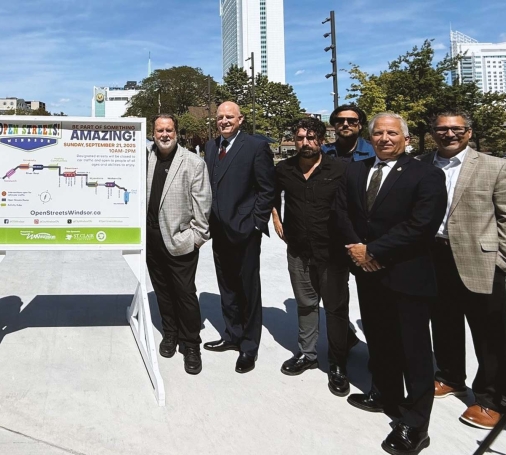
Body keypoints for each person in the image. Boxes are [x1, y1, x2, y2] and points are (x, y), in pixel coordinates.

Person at [335, 112, 447, 454]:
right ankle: (384, 394)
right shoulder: (356, 169)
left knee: (414, 352)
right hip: (368, 274)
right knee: (380, 339)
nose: (385, 138)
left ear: (406, 138)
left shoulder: (426, 173)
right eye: (379, 133)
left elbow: (422, 224)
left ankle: (415, 424)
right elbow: (341, 211)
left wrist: (374, 250)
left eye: (392, 133)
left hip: (407, 274)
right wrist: (358, 251)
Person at [420, 111, 506, 430]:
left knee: (489, 333)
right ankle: (450, 377)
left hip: (481, 260)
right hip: (434, 256)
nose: (449, 134)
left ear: (468, 132)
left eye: (456, 129)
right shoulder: (422, 164)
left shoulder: (495, 166)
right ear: (432, 132)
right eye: (442, 129)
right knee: (444, 321)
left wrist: (503, 262)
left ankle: (493, 399)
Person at [271, 117, 357, 396]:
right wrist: (276, 216)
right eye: (300, 138)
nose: (305, 143)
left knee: (334, 308)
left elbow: (356, 205)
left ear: (321, 140)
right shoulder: (284, 169)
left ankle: (337, 364)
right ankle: (307, 354)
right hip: (298, 249)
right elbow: (271, 193)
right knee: (306, 304)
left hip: (332, 251)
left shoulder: (341, 169)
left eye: (311, 138)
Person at [202, 101, 276, 374]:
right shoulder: (212, 147)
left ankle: (249, 345)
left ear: (240, 119)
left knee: (247, 289)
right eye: (220, 117)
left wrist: (256, 224)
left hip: (245, 231)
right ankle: (232, 335)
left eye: (229, 117)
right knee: (227, 286)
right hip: (218, 231)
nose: (224, 121)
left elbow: (267, 189)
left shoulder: (255, 147)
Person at [145, 114, 212, 375]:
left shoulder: (193, 163)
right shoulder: (145, 160)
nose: (164, 134)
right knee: (163, 293)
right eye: (160, 130)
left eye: (169, 130)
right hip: (152, 242)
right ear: (153, 132)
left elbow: (203, 206)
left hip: (180, 240)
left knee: (185, 294)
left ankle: (191, 344)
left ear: (176, 132)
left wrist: (196, 238)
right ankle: (170, 334)